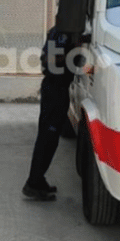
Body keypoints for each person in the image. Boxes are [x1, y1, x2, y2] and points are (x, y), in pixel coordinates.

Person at [22, 26, 80, 200]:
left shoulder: (64, 32)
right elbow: (50, 60)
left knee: (50, 140)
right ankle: (33, 183)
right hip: (55, 89)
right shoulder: (61, 33)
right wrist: (75, 50)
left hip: (58, 88)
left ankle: (38, 180)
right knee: (47, 138)